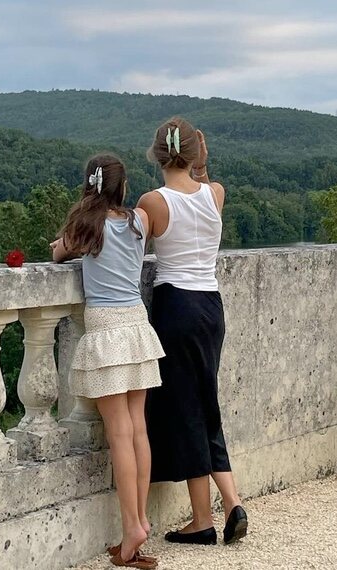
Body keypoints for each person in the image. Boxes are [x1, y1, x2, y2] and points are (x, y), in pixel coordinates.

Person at [138, 117, 248, 546]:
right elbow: (201, 181)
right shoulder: (215, 194)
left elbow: (130, 240)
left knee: (187, 408)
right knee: (206, 401)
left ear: (156, 154)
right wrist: (202, 164)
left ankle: (203, 520)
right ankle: (230, 501)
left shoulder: (154, 201)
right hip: (210, 307)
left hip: (176, 306)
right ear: (196, 154)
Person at [52, 154, 164, 569]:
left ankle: (132, 526)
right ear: (123, 186)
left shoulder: (87, 225)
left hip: (105, 326)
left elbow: (59, 255)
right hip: (137, 323)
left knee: (119, 432)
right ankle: (141, 520)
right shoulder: (140, 222)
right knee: (138, 428)